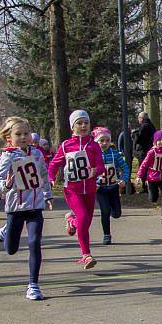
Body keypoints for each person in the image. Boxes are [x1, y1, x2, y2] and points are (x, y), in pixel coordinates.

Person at [0, 116, 53, 300]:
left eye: (26, 133)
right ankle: (4, 231)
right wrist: (7, 185)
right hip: (15, 207)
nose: (24, 137)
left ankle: (33, 284)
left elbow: (43, 175)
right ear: (9, 137)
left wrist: (48, 195)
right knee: (11, 249)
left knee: (35, 243)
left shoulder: (37, 154)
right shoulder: (8, 156)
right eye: (18, 134)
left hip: (35, 206)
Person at [48, 109, 105, 269]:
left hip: (90, 189)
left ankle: (71, 220)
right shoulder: (66, 145)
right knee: (83, 216)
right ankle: (86, 255)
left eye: (86, 123)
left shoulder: (93, 145)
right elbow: (54, 164)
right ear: (73, 126)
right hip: (72, 189)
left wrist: (96, 170)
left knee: (85, 222)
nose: (83, 126)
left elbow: (101, 164)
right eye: (79, 123)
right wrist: (51, 178)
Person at [93, 126, 129, 244]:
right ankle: (106, 235)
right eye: (101, 141)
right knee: (105, 211)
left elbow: (125, 167)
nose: (104, 143)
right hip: (101, 188)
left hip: (113, 187)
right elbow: (88, 171)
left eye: (107, 141)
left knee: (117, 214)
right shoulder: (92, 155)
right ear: (96, 142)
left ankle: (115, 211)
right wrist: (93, 183)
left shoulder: (115, 154)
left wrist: (124, 179)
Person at [135, 130, 162, 224]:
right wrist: (139, 176)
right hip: (152, 178)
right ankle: (150, 191)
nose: (161, 142)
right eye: (159, 140)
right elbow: (144, 165)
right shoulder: (152, 152)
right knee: (153, 198)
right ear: (155, 142)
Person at [133, 111, 156, 193]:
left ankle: (145, 187)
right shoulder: (152, 126)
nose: (138, 120)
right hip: (150, 150)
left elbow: (139, 139)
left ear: (142, 119)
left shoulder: (144, 127)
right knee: (150, 168)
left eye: (139, 118)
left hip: (144, 151)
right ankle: (149, 186)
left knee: (143, 168)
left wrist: (135, 134)